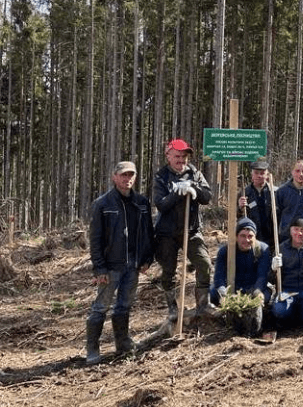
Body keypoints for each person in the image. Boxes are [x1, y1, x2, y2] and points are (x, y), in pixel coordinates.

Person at [86, 161, 154, 365]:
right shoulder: (103, 204)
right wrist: (99, 267)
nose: (128, 179)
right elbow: (96, 239)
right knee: (100, 307)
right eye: (123, 175)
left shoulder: (141, 202)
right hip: (110, 266)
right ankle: (92, 349)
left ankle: (122, 343)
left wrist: (147, 259)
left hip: (133, 265)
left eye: (131, 175)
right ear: (114, 177)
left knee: (124, 306)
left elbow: (148, 233)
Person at [153, 139, 215, 321]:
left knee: (204, 264)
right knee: (168, 271)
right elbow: (161, 205)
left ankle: (203, 305)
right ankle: (173, 308)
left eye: (184, 156)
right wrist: (176, 193)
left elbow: (207, 197)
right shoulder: (161, 176)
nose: (181, 160)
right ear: (168, 156)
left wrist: (193, 187)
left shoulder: (194, 173)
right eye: (177, 156)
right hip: (167, 233)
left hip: (192, 230)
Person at [210, 218, 272, 307]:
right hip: (232, 287)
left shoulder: (262, 249)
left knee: (266, 296)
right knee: (212, 292)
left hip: (252, 287)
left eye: (250, 236)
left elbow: (262, 275)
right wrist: (223, 293)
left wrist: (257, 291)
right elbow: (219, 276)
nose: (247, 240)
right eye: (243, 236)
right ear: (236, 236)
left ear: (255, 237)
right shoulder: (225, 251)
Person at [275, 160, 303, 243]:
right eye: (297, 171)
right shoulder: (282, 191)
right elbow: (276, 216)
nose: (301, 174)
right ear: (292, 172)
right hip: (287, 236)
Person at [237, 161, 274, 246]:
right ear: (252, 175)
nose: (259, 176)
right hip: (251, 237)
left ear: (267, 175)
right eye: (256, 173)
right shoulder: (244, 193)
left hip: (271, 238)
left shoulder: (274, 192)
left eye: (262, 173)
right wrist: (240, 208)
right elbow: (237, 217)